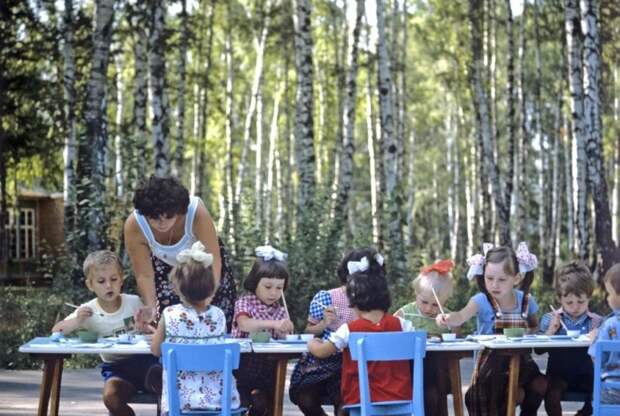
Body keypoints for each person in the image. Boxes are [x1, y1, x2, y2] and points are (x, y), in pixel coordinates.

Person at [436, 243, 548, 416]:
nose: (495, 285)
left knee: (540, 384)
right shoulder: (481, 300)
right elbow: (461, 315)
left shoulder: (526, 301)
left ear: (516, 278)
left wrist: (529, 333)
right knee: (495, 400)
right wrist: (448, 318)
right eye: (489, 278)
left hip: (521, 364)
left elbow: (534, 325)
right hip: (490, 367)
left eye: (502, 279)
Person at [52, 250, 158, 416]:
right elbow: (56, 331)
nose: (109, 285)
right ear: (90, 285)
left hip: (145, 362)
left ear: (121, 279)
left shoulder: (133, 302)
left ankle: (158, 387)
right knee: (111, 398)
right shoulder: (87, 311)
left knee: (159, 376)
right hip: (117, 369)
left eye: (113, 279)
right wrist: (77, 321)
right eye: (101, 281)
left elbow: (155, 329)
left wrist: (146, 326)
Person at [307, 251, 414, 415]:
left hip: (361, 399)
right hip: (401, 395)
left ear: (354, 302)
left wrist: (313, 343)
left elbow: (322, 352)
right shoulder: (403, 325)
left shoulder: (349, 330)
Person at [124, 175, 236, 329]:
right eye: (154, 218)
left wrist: (207, 298)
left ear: (180, 211)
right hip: (164, 267)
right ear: (144, 214)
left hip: (205, 264)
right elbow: (144, 274)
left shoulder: (197, 212)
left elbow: (214, 259)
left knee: (216, 318)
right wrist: (151, 307)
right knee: (170, 322)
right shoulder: (134, 225)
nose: (162, 223)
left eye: (169, 216)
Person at [151, 241, 241, 413]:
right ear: (210, 287)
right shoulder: (218, 315)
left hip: (181, 403)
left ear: (177, 288)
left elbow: (156, 350)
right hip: (219, 402)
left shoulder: (169, 315)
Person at [289, 248, 370, 416]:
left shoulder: (373, 301)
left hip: (354, 361)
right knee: (305, 398)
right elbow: (310, 330)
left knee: (345, 403)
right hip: (324, 359)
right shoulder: (327, 297)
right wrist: (325, 323)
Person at [231, 245, 294, 416]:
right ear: (254, 282)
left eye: (279, 288)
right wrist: (273, 324)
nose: (274, 293)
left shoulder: (280, 310)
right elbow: (244, 324)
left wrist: (284, 331)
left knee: (266, 403)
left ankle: (261, 403)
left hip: (268, 370)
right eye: (268, 287)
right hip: (241, 369)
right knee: (241, 403)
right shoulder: (244, 302)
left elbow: (279, 339)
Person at [394, 259, 457, 416]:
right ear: (416, 293)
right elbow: (391, 334)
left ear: (444, 302)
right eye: (424, 302)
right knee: (430, 395)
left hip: (437, 372)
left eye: (435, 305)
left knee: (434, 393)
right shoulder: (405, 313)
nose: (429, 308)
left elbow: (456, 334)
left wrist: (451, 325)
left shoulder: (445, 316)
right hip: (409, 370)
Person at [538, 262, 602, 416]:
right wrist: (551, 331)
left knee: (600, 390)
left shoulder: (597, 322)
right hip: (558, 375)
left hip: (587, 375)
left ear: (589, 297)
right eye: (569, 303)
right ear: (560, 299)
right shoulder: (550, 319)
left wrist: (598, 336)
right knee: (551, 395)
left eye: (581, 302)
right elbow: (538, 350)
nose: (575, 307)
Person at [588, 263, 620, 404]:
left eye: (609, 293)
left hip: (612, 392)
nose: (607, 298)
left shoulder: (609, 325)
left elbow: (596, 359)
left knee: (593, 397)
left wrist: (595, 338)